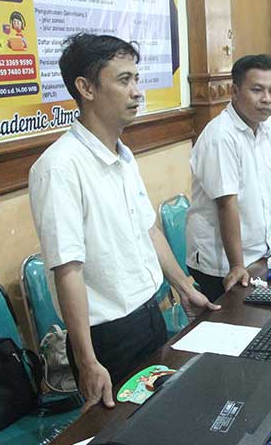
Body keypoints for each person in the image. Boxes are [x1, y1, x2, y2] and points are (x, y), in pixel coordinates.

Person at [29, 33, 219, 412]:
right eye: (123, 80)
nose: (137, 91)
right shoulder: (58, 168)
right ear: (86, 88)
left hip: (149, 315)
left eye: (136, 79)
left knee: (164, 420)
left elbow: (148, 229)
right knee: (122, 435)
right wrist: (86, 360)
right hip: (107, 338)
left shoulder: (123, 155)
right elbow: (68, 270)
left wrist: (184, 287)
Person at [185, 54, 271, 302]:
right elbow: (226, 203)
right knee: (236, 320)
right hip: (221, 263)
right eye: (257, 90)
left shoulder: (270, 127)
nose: (267, 98)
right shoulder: (221, 136)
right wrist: (236, 265)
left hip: (258, 251)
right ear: (235, 91)